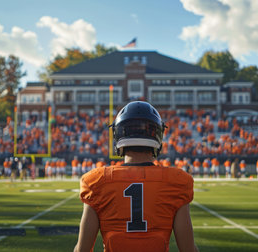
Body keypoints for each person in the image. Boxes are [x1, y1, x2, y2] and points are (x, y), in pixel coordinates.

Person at [74, 101, 198, 252]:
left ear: (118, 134)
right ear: (158, 135)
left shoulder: (97, 181)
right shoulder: (176, 181)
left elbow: (82, 250)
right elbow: (188, 249)